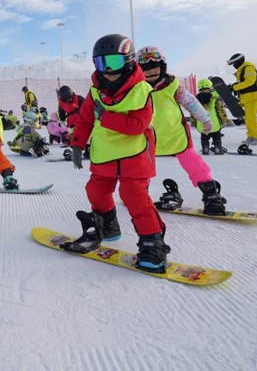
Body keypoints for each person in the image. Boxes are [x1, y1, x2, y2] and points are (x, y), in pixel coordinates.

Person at [61, 34, 169, 273]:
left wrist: (106, 116)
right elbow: (85, 117)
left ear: (129, 61)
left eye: (114, 62)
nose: (108, 70)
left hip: (135, 154)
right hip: (105, 153)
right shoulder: (95, 89)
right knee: (95, 190)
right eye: (102, 64)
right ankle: (108, 225)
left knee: (133, 196)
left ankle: (153, 242)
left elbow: (137, 125)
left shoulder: (142, 91)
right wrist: (78, 144)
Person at [136, 47, 227, 216]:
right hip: (148, 138)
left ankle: (211, 194)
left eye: (155, 69)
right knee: (142, 168)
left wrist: (205, 119)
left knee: (194, 163)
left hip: (175, 134)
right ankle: (139, 195)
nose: (151, 73)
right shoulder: (136, 89)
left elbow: (191, 103)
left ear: (162, 67)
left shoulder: (173, 87)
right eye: (146, 70)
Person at [227, 53, 257, 145]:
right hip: (249, 97)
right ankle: (251, 136)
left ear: (239, 61)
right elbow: (244, 83)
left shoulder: (248, 67)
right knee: (249, 118)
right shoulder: (242, 70)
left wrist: (235, 87)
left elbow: (250, 82)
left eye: (234, 63)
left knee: (251, 117)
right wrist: (234, 86)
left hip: (254, 96)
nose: (234, 66)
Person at [193, 78, 229, 155]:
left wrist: (194, 123)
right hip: (214, 123)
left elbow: (193, 113)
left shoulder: (195, 100)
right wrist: (224, 119)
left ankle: (205, 149)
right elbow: (220, 110)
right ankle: (217, 149)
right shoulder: (215, 98)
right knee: (216, 136)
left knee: (204, 137)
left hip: (202, 124)